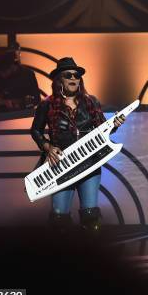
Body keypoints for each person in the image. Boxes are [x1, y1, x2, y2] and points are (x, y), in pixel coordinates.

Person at [30, 57, 125, 232]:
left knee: (90, 216)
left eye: (77, 75)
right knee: (59, 217)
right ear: (59, 79)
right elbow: (35, 130)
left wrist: (115, 124)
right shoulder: (47, 104)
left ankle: (90, 255)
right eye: (69, 75)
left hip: (89, 163)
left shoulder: (90, 102)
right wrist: (48, 147)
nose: (74, 78)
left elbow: (104, 131)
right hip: (61, 166)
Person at [0, 41, 40, 114]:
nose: (1, 74)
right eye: (0, 69)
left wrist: (13, 102)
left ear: (13, 65)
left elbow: (36, 99)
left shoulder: (27, 75)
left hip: (21, 118)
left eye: (4, 70)